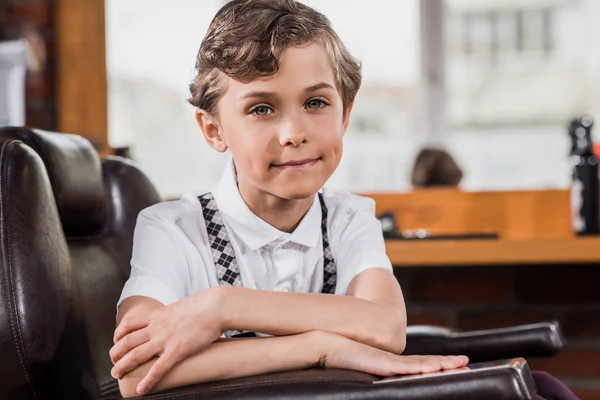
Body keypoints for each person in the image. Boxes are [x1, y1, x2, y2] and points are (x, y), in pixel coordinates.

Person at [109, 2, 577, 399]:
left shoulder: (351, 217)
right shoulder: (170, 229)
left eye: (315, 103)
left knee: (545, 389)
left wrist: (222, 307)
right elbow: (133, 375)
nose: (295, 134)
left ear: (345, 114)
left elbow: (386, 327)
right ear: (214, 130)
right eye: (261, 108)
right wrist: (319, 347)